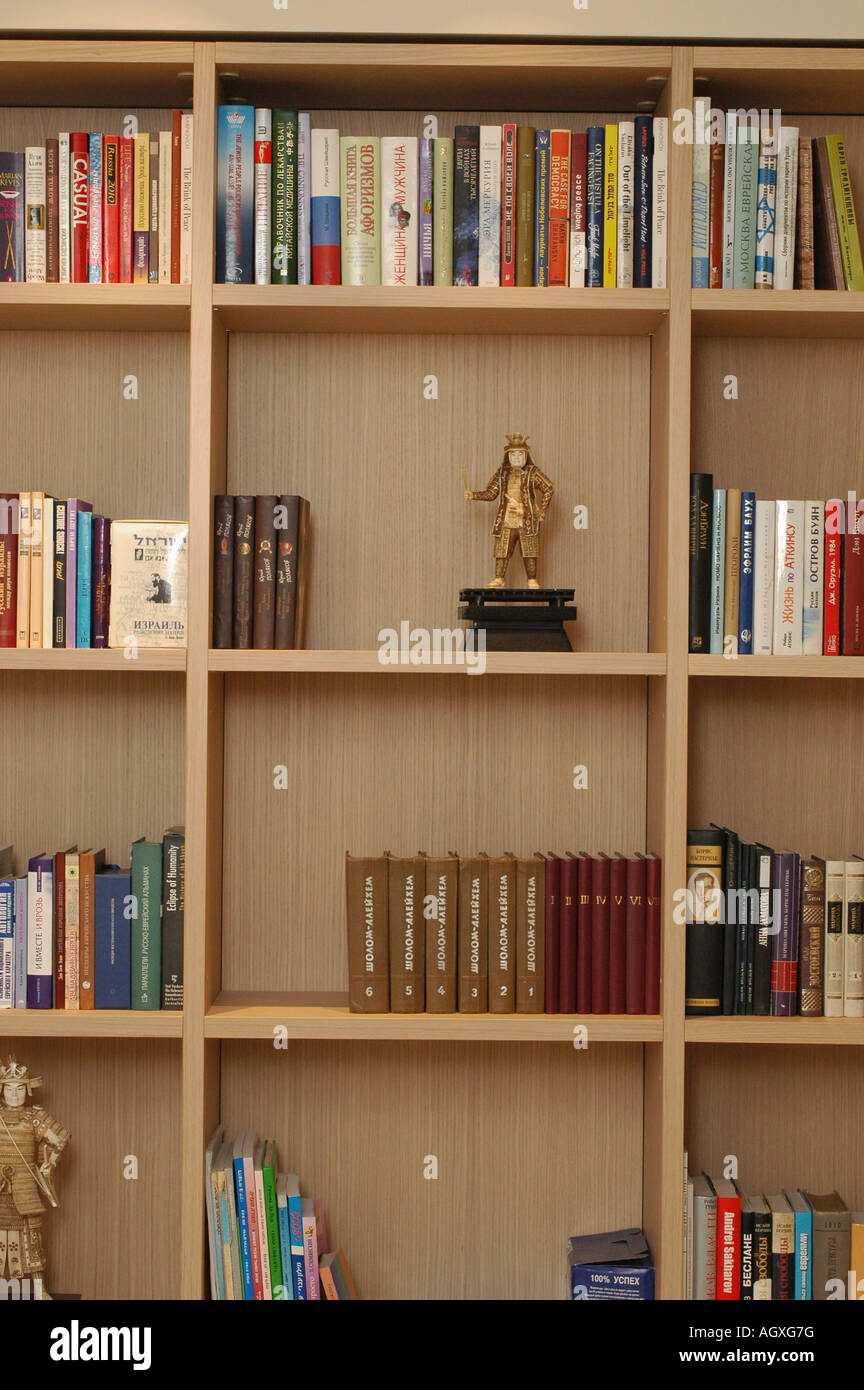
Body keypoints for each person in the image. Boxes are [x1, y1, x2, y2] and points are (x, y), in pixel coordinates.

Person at [0, 1057, 70, 1294]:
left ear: (27, 1090)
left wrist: (48, 1162)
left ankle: (39, 1291)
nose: (15, 1094)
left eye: (20, 1088)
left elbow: (60, 1139)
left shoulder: (35, 1117)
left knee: (32, 1239)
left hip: (24, 1187)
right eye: (9, 1088)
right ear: (2, 1090)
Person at [464, 433, 554, 588]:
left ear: (526, 455)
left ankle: (532, 579)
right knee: (502, 550)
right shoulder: (502, 474)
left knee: (530, 550)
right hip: (506, 519)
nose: (517, 458)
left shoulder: (533, 473)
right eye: (513, 454)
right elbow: (491, 493)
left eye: (521, 454)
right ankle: (499, 578)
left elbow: (548, 488)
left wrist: (541, 510)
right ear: (507, 456)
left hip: (526, 519)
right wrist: (473, 495)